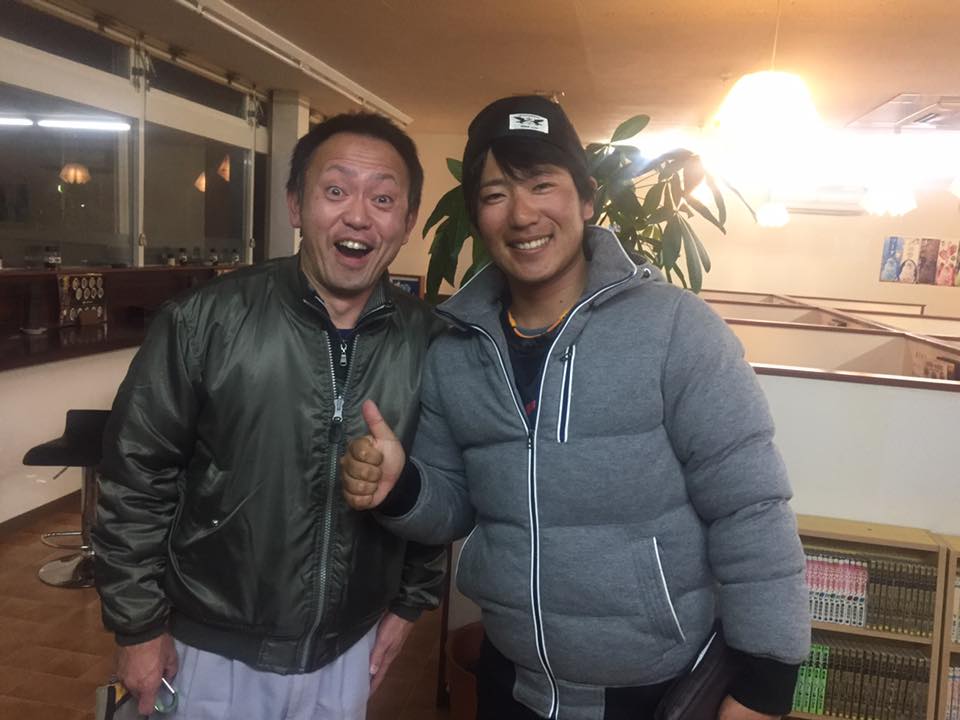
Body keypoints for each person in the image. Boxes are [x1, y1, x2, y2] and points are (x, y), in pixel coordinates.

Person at [340, 95, 811, 720]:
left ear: (586, 199)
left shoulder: (676, 329)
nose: (523, 214)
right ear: (478, 217)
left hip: (652, 689)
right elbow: (453, 508)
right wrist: (402, 487)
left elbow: (749, 506)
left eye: (542, 184)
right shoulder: (454, 348)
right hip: (512, 683)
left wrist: (766, 682)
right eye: (496, 194)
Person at [92, 112, 445, 720]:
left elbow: (439, 484)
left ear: (408, 221)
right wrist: (138, 626)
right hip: (211, 648)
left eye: (383, 199)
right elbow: (135, 477)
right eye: (336, 190)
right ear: (295, 205)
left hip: (347, 647)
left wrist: (410, 605)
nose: (359, 216)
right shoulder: (203, 322)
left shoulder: (429, 342)